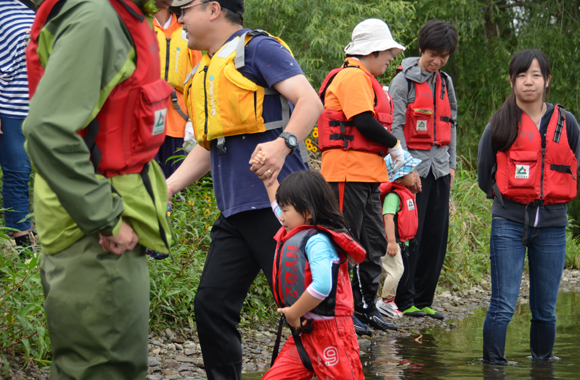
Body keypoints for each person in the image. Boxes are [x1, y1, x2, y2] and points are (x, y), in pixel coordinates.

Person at [167, 0, 323, 377]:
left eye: (184, 9)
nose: (179, 19)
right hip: (235, 211)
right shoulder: (205, 68)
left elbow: (310, 101)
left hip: (280, 210)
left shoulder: (257, 49)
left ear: (214, 9)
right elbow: (209, 147)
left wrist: (282, 143)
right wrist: (166, 188)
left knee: (308, 314)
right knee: (211, 305)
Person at [24, 0, 174, 378]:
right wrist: (105, 217)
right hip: (94, 233)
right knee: (103, 369)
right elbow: (47, 130)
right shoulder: (99, 18)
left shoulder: (119, 14)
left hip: (105, 222)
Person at [477, 49, 580, 364]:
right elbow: (485, 176)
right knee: (503, 305)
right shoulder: (500, 124)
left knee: (545, 310)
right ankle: (493, 368)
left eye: (536, 75)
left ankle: (542, 364)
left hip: (552, 225)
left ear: (547, 80)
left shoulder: (567, 123)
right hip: (508, 222)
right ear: (512, 81)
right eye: (521, 75)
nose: (528, 82)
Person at [317, 18, 405, 335]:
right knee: (345, 243)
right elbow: (364, 123)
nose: (390, 59)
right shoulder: (353, 77)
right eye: (388, 53)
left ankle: (365, 308)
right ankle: (340, 311)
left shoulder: (365, 78)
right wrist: (395, 146)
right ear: (374, 50)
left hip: (367, 174)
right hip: (345, 173)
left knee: (373, 243)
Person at [252, 168, 365, 379]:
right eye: (282, 210)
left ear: (308, 212)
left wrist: (294, 312)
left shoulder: (317, 241)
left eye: (286, 211)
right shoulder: (296, 226)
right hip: (304, 333)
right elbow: (277, 208)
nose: (281, 216)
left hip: (332, 333)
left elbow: (322, 286)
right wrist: (270, 181)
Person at [389, 19, 458, 320]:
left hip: (440, 169)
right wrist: (405, 168)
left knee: (435, 235)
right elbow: (394, 127)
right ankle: (405, 300)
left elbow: (451, 124)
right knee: (410, 234)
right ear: (421, 48)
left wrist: (453, 164)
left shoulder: (446, 82)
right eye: (433, 53)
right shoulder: (402, 81)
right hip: (413, 169)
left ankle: (425, 298)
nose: (438, 61)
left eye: (444, 56)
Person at [0, 0, 35, 252]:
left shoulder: (34, 11)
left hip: (36, 112)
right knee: (17, 173)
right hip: (9, 113)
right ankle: (22, 244)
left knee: (26, 174)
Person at [153, 1, 202, 177]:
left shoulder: (187, 27)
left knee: (174, 179)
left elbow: (198, 77)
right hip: (145, 116)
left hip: (178, 120)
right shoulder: (139, 25)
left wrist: (195, 121)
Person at [376, 151, 421, 320]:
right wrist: (392, 242)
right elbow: (388, 218)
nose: (415, 174)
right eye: (411, 172)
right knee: (396, 271)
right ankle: (386, 301)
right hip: (390, 243)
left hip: (400, 243)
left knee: (384, 272)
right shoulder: (393, 195)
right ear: (399, 178)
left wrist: (415, 192)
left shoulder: (406, 193)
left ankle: (377, 300)